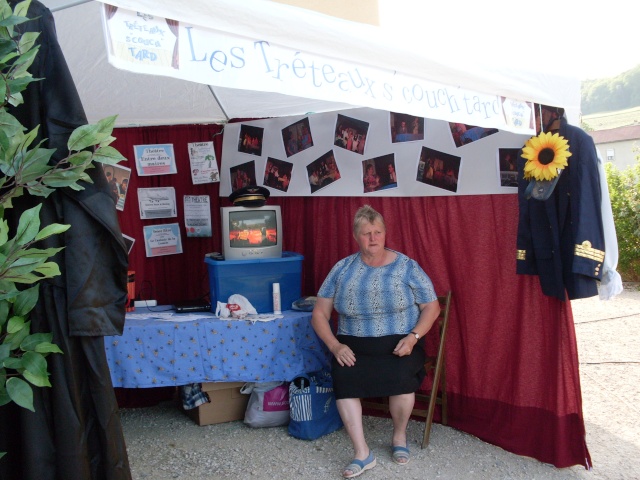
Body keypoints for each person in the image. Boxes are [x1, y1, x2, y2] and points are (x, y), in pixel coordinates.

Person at [311, 205, 440, 479]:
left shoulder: (406, 266)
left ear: (385, 233)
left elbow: (432, 306)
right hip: (352, 344)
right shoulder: (342, 268)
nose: (373, 238)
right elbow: (319, 314)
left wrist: (413, 337)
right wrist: (335, 346)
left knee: (401, 378)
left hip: (400, 342)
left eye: (378, 232)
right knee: (343, 377)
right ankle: (362, 453)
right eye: (366, 233)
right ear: (356, 236)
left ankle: (399, 437)